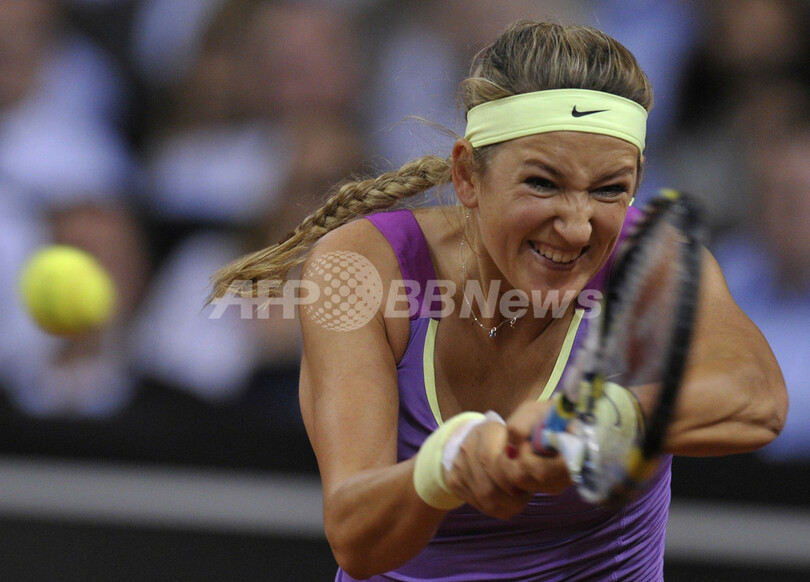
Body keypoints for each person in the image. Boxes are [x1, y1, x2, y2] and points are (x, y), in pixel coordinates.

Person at [210, 20, 787, 581]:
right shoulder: (361, 266)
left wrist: (595, 422)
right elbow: (356, 536)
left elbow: (756, 397)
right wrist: (449, 464)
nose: (578, 227)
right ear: (468, 175)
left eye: (610, 189)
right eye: (543, 183)